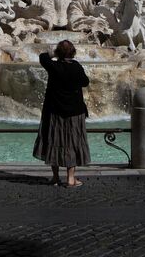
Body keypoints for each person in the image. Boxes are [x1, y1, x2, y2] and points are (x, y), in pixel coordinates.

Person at [34, 39, 91, 186]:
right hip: (74, 111)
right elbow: (85, 82)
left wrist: (54, 53)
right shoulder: (77, 67)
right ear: (73, 53)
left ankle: (55, 177)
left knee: (54, 140)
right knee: (72, 142)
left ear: (58, 53)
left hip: (55, 111)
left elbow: (42, 57)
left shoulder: (53, 66)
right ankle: (71, 178)